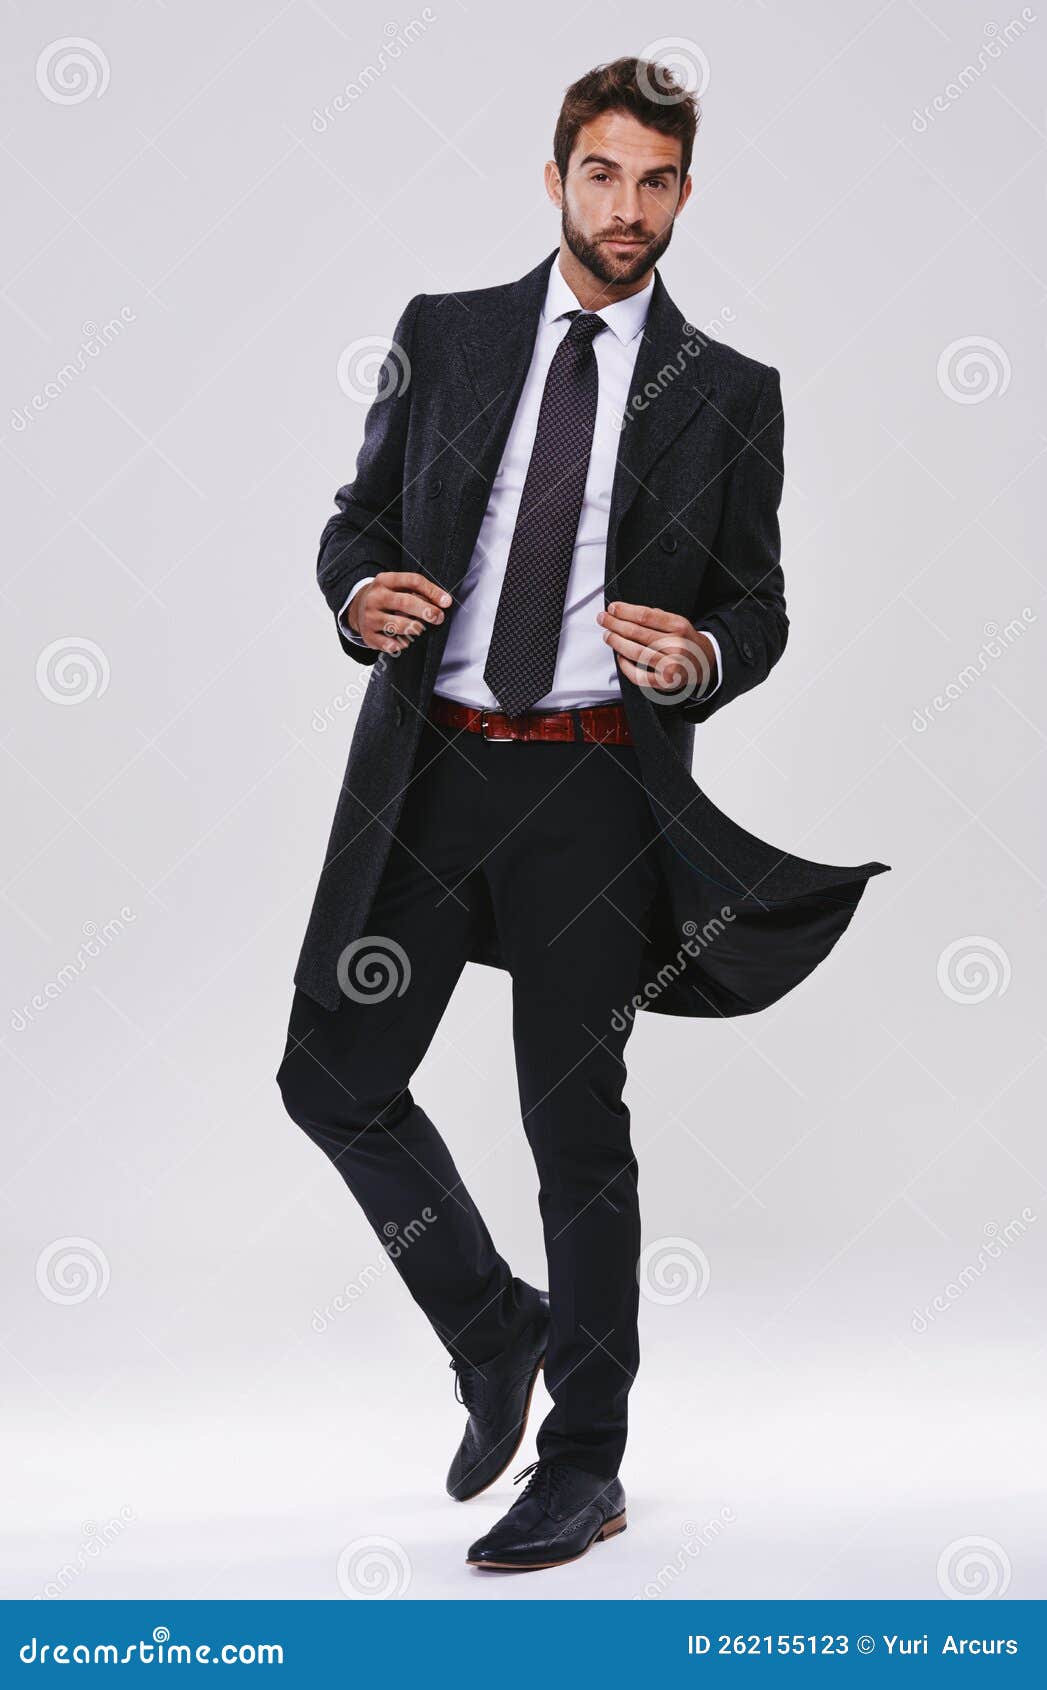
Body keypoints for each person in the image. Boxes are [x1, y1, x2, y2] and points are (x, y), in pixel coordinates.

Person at [276, 54, 887, 1574]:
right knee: (331, 1074)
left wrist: (708, 653)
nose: (628, 209)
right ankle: (496, 1327)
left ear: (686, 191)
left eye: (657, 181)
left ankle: (588, 1458)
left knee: (574, 1126)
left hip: (593, 784)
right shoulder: (447, 335)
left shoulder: (728, 393)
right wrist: (360, 590)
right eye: (602, 175)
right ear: (555, 178)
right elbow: (355, 517)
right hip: (431, 767)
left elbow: (762, 602)